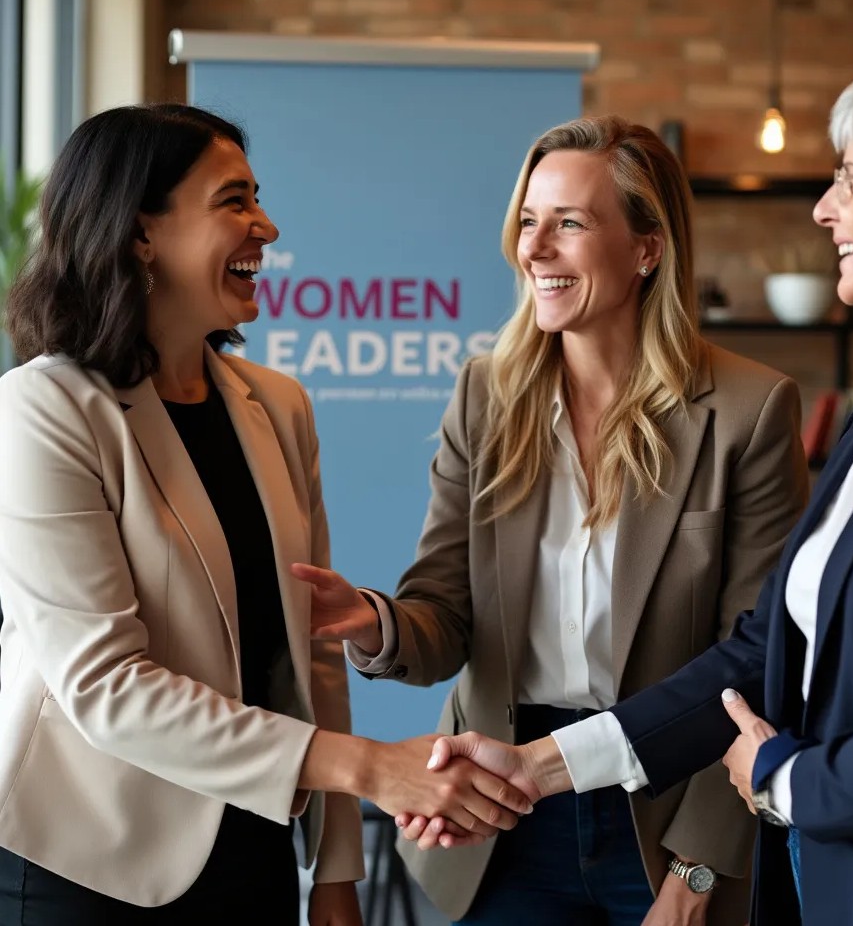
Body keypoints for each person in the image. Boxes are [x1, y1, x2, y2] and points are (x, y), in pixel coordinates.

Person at [408, 30, 853, 926]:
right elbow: (762, 652)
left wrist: (780, 782)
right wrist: (538, 767)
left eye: (851, 178)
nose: (823, 209)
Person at [0, 104, 531, 926]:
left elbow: (309, 652)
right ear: (142, 232)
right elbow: (104, 687)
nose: (268, 226)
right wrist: (369, 769)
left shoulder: (277, 406)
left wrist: (334, 873)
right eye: (234, 201)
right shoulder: (44, 409)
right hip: (87, 860)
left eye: (259, 199)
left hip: (252, 845)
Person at [294, 114, 809, 925]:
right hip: (501, 808)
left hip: (669, 817)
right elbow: (446, 615)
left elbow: (756, 662)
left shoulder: (748, 411)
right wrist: (372, 622)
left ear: (648, 248)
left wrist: (700, 870)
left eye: (568, 223)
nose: (533, 249)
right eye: (528, 222)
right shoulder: (486, 396)